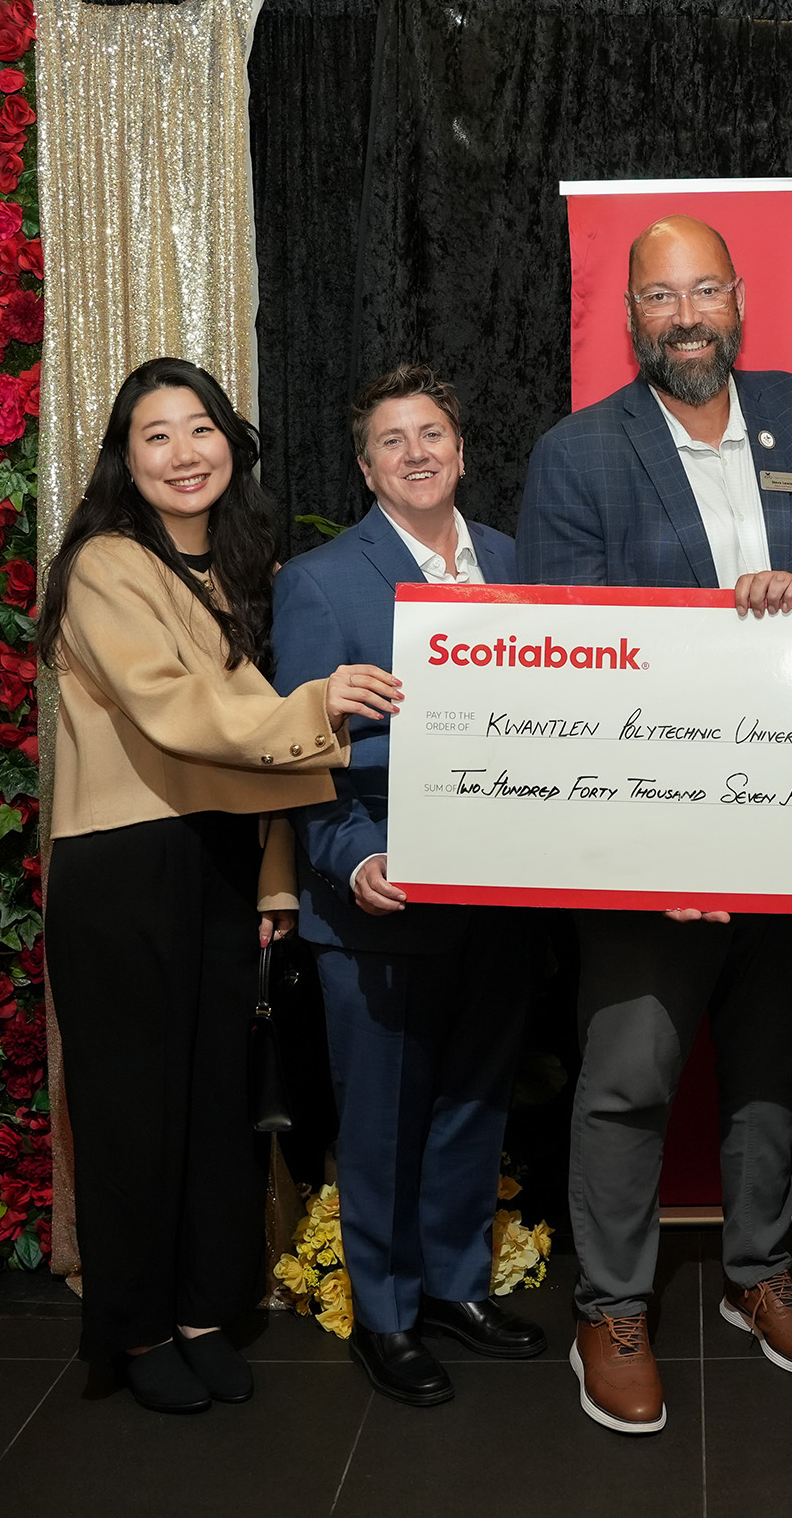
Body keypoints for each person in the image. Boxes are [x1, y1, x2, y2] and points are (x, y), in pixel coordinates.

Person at [516, 213, 792, 1434]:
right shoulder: (579, 454)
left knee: (773, 1065)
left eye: (706, 291)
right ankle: (611, 1305)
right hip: (652, 829)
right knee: (628, 1077)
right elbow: (576, 635)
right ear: (632, 321)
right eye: (662, 299)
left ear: (739, 300)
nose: (688, 317)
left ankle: (757, 1273)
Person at [41, 357, 401, 1414]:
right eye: (155, 436)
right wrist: (323, 702)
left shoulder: (243, 569)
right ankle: (138, 1326)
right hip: (122, 864)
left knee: (214, 1104)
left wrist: (276, 884)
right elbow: (178, 714)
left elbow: (252, 773)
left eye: (198, 429)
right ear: (126, 459)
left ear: (229, 444)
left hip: (218, 861)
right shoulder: (108, 564)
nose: (183, 453)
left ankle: (204, 1308)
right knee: (131, 1110)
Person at [271, 362, 546, 1408]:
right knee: (382, 1120)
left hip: (503, 898)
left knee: (476, 1101)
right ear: (364, 465)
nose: (418, 452)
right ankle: (383, 1315)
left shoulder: (522, 567)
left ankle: (456, 1287)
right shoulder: (321, 581)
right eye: (394, 439)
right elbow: (305, 751)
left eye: (433, 433)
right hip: (379, 898)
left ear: (464, 450)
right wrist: (347, 856)